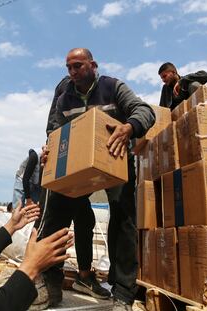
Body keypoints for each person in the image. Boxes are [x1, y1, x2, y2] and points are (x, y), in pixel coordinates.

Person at [38, 48, 155, 311]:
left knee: (124, 218)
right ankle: (50, 285)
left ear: (93, 65)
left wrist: (129, 127)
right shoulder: (64, 96)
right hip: (78, 167)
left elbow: (144, 111)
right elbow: (56, 131)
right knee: (56, 214)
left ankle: (123, 294)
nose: (72, 72)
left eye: (77, 66)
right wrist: (49, 148)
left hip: (114, 159)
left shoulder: (113, 87)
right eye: (68, 67)